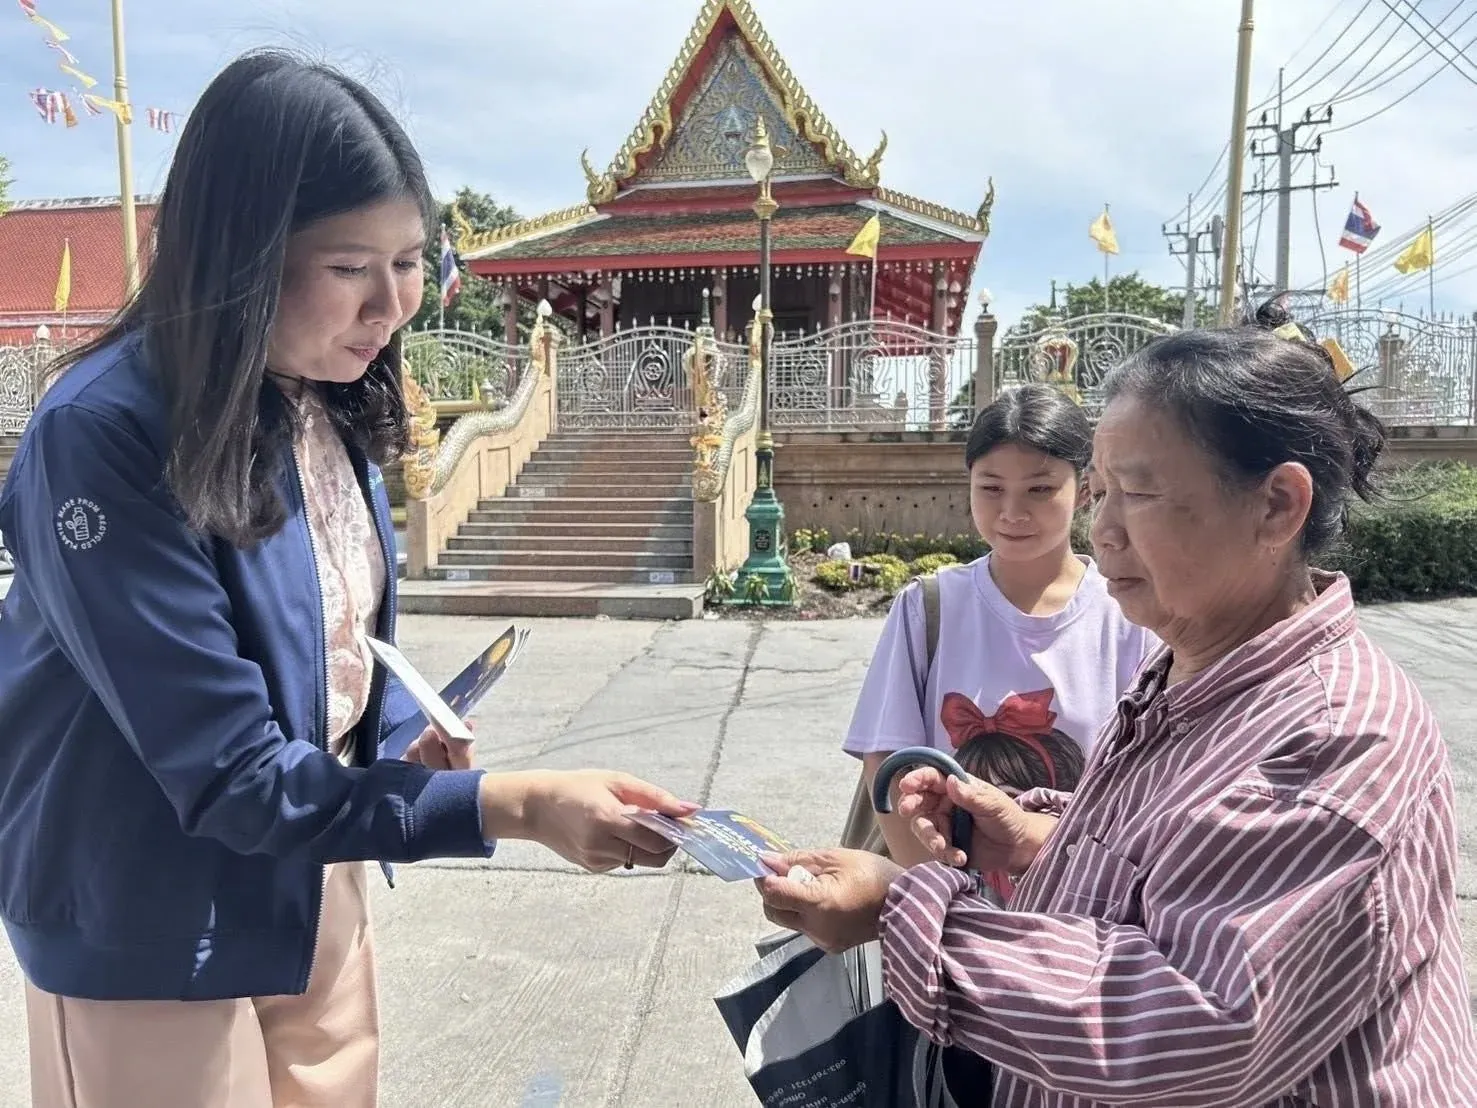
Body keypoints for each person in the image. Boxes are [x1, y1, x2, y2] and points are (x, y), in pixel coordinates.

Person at [0, 51, 692, 1108]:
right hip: (146, 908)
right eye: (349, 266)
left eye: (412, 260)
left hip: (306, 870)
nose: (392, 305)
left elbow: (312, 652)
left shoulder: (324, 405)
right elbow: (228, 770)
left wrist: (383, 744)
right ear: (241, 257)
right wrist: (510, 804)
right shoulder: (103, 435)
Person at [756, 307, 1477, 1105]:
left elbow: (1195, 1022)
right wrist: (1036, 839)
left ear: (1276, 505)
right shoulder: (1194, 662)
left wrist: (903, 909)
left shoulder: (1333, 734)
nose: (1102, 532)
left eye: (1134, 493)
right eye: (1100, 493)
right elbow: (1177, 856)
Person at [842, 384, 1155, 887]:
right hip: (949, 910)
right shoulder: (929, 607)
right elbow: (887, 760)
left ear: (1087, 487)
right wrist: (944, 907)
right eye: (991, 487)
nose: (1012, 512)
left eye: (1040, 489)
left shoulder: (1128, 616)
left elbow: (1145, 783)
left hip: (1080, 908)